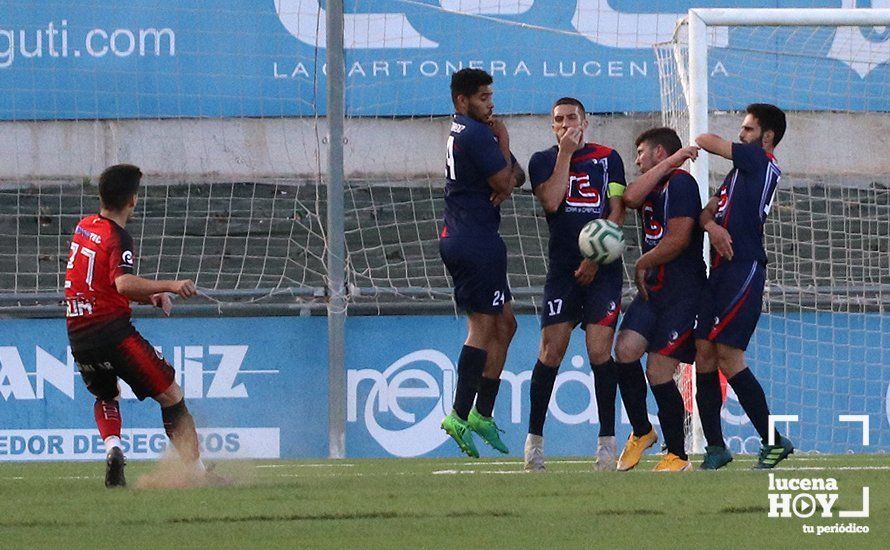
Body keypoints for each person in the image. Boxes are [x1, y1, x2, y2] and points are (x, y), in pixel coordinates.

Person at [65, 163, 209, 488]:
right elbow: (123, 283)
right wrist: (171, 285)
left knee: (106, 394)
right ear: (133, 200)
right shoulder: (119, 237)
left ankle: (113, 448)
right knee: (171, 395)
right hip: (113, 332)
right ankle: (198, 474)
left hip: (78, 332)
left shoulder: (84, 227)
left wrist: (151, 297)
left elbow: (99, 284)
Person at [523, 97, 626, 472]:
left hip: (604, 266)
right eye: (558, 120)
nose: (565, 124)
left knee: (600, 351)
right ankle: (534, 443)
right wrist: (564, 154)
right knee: (551, 351)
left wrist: (597, 257)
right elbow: (551, 202)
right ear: (552, 126)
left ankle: (607, 445)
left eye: (572, 118)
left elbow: (617, 208)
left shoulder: (609, 157)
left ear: (585, 121)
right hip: (563, 268)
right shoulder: (541, 160)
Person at [694, 103, 794, 469]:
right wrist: (713, 227)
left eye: (748, 129)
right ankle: (717, 449)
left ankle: (773, 441)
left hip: (743, 268)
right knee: (702, 352)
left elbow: (704, 139)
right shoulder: (737, 174)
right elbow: (707, 213)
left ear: (767, 137)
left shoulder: (759, 161)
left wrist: (716, 226)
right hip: (718, 270)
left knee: (728, 356)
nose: (741, 134)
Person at [439, 68, 525, 457]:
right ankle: (459, 414)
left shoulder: (472, 131)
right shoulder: (477, 133)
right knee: (483, 326)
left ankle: (481, 414)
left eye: (491, 96)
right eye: (483, 98)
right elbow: (507, 182)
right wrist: (503, 140)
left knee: (506, 324)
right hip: (472, 240)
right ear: (462, 101)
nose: (491, 104)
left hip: (476, 237)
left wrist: (504, 168)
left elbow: (513, 176)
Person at [612, 127, 704, 472]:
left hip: (682, 293)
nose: (636, 160)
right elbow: (631, 198)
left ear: (659, 152)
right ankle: (642, 431)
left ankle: (677, 456)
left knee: (659, 371)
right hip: (653, 289)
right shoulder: (655, 183)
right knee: (624, 351)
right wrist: (667, 164)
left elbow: (679, 239)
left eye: (640, 152)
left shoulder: (681, 184)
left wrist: (642, 262)